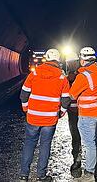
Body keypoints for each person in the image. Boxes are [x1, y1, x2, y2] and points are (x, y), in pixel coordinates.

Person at [18, 49, 71, 181]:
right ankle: (41, 176)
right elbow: (66, 99)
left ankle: (24, 175)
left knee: (29, 143)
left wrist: (26, 109)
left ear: (46, 59)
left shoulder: (34, 73)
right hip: (50, 118)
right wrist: (61, 112)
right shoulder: (61, 77)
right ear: (58, 60)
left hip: (33, 117)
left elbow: (24, 94)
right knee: (45, 145)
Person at [69, 47, 97, 181]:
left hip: (88, 115)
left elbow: (72, 94)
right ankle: (96, 170)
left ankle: (89, 174)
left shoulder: (83, 76)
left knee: (89, 145)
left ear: (83, 59)